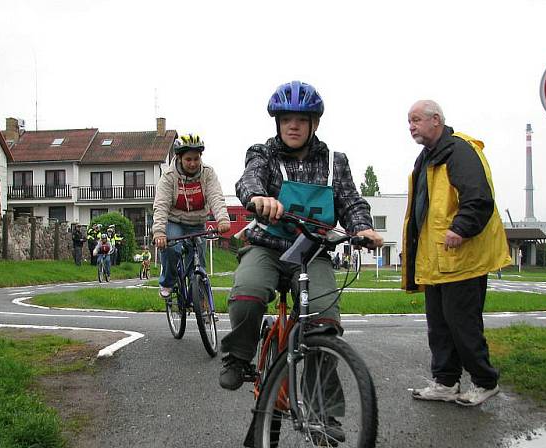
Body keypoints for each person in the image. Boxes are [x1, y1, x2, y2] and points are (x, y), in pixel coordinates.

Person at [219, 81, 383, 391]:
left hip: (312, 253)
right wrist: (257, 197)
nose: (293, 126)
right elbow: (249, 178)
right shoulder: (263, 153)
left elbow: (350, 201)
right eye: (286, 119)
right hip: (267, 247)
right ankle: (238, 357)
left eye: (301, 120)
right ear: (278, 123)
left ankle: (321, 406)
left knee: (326, 323)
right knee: (247, 293)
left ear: (314, 123)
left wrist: (361, 227)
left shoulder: (335, 162)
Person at [403, 100, 511, 407]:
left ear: (435, 120)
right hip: (436, 259)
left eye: (416, 120)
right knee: (439, 324)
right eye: (409, 122)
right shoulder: (426, 158)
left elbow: (478, 195)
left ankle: (485, 381)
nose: (411, 126)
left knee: (462, 323)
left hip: (462, 257)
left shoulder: (459, 150)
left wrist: (461, 228)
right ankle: (445, 382)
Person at [152, 133, 230, 297]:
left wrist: (222, 219)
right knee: (172, 249)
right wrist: (159, 232)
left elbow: (215, 196)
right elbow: (161, 205)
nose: (193, 163)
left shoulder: (207, 173)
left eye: (196, 158)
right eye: (188, 159)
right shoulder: (168, 177)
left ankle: (199, 296)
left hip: (197, 222)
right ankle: (168, 283)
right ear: (179, 158)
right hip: (174, 221)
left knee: (198, 261)